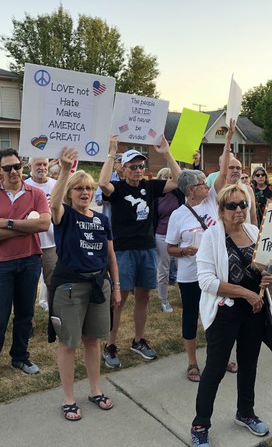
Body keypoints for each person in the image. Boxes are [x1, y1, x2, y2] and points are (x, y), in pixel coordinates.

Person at [190, 184, 272, 446]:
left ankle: (245, 413)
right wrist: (244, 293)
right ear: (222, 209)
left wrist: (268, 277)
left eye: (243, 205)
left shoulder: (253, 231)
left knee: (249, 365)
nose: (238, 210)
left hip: (256, 310)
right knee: (215, 369)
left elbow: (264, 266)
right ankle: (200, 424)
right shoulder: (211, 237)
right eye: (232, 206)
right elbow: (206, 281)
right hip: (226, 311)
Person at [48, 147, 120, 422]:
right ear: (70, 192)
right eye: (78, 188)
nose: (84, 192)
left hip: (98, 286)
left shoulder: (102, 220)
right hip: (69, 287)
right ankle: (68, 398)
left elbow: (110, 255)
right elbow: (53, 205)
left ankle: (95, 390)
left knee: (92, 340)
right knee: (68, 342)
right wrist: (66, 170)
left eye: (88, 188)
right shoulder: (65, 216)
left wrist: (115, 285)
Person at [99, 136, 181, 367]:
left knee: (143, 297)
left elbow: (179, 181)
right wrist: (110, 153)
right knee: (119, 299)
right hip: (123, 251)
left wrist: (166, 153)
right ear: (123, 169)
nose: (138, 170)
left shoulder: (150, 186)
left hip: (146, 249)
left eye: (141, 166)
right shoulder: (117, 188)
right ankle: (110, 344)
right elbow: (103, 184)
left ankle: (138, 340)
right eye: (133, 167)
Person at [0, 148, 51, 387]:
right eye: (8, 168)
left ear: (22, 166)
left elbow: (44, 224)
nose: (14, 171)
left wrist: (5, 225)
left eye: (17, 166)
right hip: (0, 264)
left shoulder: (35, 193)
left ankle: (20, 357)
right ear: (0, 170)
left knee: (25, 315)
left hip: (29, 261)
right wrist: (26, 227)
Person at [166, 170, 238, 383]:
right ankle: (192, 362)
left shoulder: (212, 202)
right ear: (191, 189)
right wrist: (184, 251)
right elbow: (170, 248)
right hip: (190, 275)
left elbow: (224, 172)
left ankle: (219, 358)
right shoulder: (178, 215)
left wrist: (227, 141)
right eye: (203, 184)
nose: (208, 186)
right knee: (191, 316)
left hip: (216, 272)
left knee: (218, 315)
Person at [25, 157, 58, 313]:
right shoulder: (24, 186)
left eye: (45, 164)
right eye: (38, 164)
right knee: (29, 285)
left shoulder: (55, 185)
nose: (42, 167)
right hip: (29, 244)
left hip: (52, 244)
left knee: (53, 283)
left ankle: (54, 314)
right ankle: (28, 321)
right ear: (30, 166)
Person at [154, 167, 184, 313]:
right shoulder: (155, 196)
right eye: (164, 177)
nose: (167, 180)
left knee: (182, 268)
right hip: (161, 235)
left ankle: (184, 297)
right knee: (163, 269)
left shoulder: (179, 194)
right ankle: (164, 300)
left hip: (178, 236)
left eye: (170, 177)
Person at [94, 153, 123, 223]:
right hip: (111, 222)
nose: (123, 164)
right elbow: (98, 199)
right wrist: (112, 196)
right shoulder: (107, 178)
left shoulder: (132, 179)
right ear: (114, 164)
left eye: (126, 161)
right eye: (121, 161)